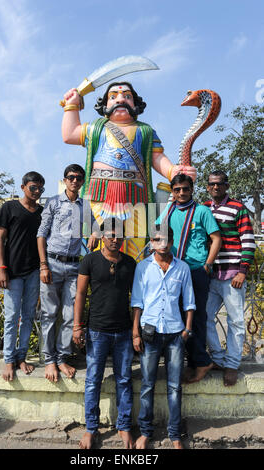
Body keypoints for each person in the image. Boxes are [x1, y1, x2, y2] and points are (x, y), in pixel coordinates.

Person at [61, 82, 196, 258]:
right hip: (99, 196)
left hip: (135, 197)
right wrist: (72, 105)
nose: (120, 99)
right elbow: (70, 134)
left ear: (135, 104)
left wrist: (173, 172)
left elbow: (157, 158)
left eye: (127, 96)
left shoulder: (145, 131)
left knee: (136, 246)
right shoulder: (96, 128)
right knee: (98, 246)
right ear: (105, 104)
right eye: (113, 97)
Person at [73, 218, 136, 449]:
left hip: (123, 332)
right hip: (97, 331)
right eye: (109, 234)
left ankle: (124, 426)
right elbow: (80, 294)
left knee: (124, 380)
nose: (114, 238)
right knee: (92, 381)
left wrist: (135, 330)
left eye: (118, 234)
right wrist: (77, 326)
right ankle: (91, 429)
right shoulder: (90, 260)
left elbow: (136, 300)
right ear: (101, 236)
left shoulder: (130, 263)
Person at [131, 226, 195, 449]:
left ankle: (175, 434)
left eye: (166, 239)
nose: (163, 244)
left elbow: (189, 301)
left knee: (174, 386)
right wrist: (135, 332)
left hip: (175, 334)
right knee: (148, 384)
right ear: (151, 242)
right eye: (158, 240)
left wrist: (186, 329)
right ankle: (145, 432)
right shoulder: (143, 267)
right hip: (149, 333)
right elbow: (137, 302)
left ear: (172, 241)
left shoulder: (182, 268)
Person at [157, 174, 222, 383]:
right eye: (177, 190)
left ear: (192, 189)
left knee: (197, 318)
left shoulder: (202, 211)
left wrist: (207, 265)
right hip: (174, 270)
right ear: (172, 192)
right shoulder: (168, 210)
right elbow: (156, 233)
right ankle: (191, 361)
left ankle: (202, 362)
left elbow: (216, 238)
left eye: (185, 189)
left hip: (195, 271)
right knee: (178, 318)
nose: (181, 193)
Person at [37, 164, 97, 383]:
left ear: (82, 182)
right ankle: (49, 360)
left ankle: (62, 357)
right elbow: (41, 234)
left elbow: (96, 227)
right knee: (49, 315)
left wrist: (95, 232)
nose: (75, 181)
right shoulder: (53, 202)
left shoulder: (85, 206)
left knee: (71, 316)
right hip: (52, 263)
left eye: (79, 178)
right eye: (71, 177)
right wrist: (43, 265)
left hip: (73, 267)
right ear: (65, 180)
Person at [204, 170, 256, 386]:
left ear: (226, 186)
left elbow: (248, 240)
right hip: (212, 274)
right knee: (204, 317)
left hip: (233, 274)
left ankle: (232, 365)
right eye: (212, 184)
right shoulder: (204, 208)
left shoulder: (238, 208)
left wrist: (243, 270)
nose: (216, 187)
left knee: (235, 321)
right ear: (207, 187)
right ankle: (217, 358)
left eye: (220, 184)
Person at [0, 171, 45, 381]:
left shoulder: (42, 211)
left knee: (28, 316)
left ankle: (21, 357)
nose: (36, 192)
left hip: (33, 271)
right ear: (23, 187)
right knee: (11, 316)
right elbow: (0, 238)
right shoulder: (9, 207)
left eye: (40, 189)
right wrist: (1, 267)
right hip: (13, 271)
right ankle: (8, 359)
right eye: (33, 187)